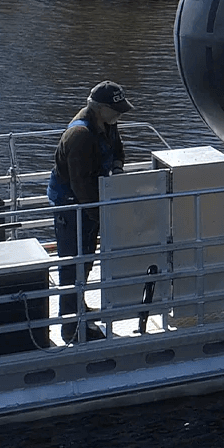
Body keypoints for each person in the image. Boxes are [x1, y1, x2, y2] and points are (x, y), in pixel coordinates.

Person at [47, 80, 134, 343]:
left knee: (85, 261)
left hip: (91, 200)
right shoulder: (81, 136)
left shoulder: (108, 123)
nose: (120, 114)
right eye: (115, 109)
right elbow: (81, 185)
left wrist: (117, 169)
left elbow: (117, 149)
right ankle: (71, 327)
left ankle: (79, 306)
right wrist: (101, 216)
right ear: (99, 108)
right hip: (72, 205)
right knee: (73, 264)